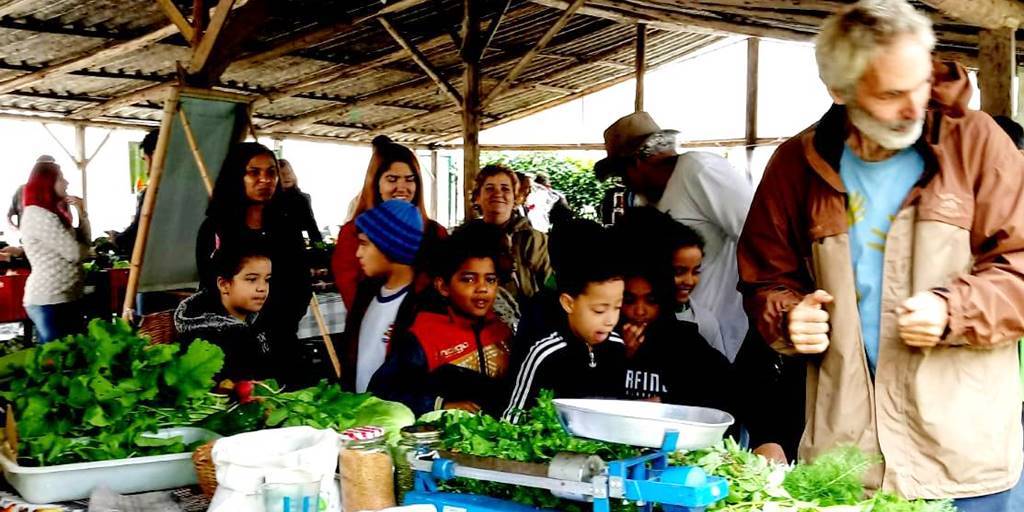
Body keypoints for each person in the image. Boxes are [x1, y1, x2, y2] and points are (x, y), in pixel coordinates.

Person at [738, 0, 1024, 506]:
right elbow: (765, 280)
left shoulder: (979, 144)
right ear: (840, 91)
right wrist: (788, 317)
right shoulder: (794, 166)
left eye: (920, 82)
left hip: (961, 459)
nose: (916, 106)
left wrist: (952, 309)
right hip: (844, 462)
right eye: (892, 94)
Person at [594, 112, 752, 362]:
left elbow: (756, 235)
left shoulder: (700, 170)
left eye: (623, 176)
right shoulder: (650, 198)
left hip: (718, 330)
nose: (627, 185)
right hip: (672, 331)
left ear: (636, 163)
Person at [369, 221, 512, 416]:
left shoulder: (502, 330)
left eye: (490, 279)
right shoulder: (425, 335)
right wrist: (440, 405)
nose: (482, 288)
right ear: (443, 286)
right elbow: (382, 391)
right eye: (468, 279)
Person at [196, 142, 311, 377]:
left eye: (271, 172)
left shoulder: (286, 228)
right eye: (254, 172)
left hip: (281, 342)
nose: (265, 179)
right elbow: (212, 288)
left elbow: (301, 284)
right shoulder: (217, 229)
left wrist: (279, 324)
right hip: (231, 345)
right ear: (237, 176)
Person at [501, 220, 624, 423]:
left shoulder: (616, 347)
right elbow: (513, 418)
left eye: (617, 307)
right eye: (599, 310)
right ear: (568, 303)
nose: (610, 320)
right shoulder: (545, 352)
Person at [332, 136, 446, 309]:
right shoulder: (353, 233)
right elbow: (352, 297)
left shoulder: (435, 232)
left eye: (410, 179)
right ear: (375, 183)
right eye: (392, 179)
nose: (402, 187)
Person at [341, 199, 424, 392]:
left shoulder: (420, 307)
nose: (358, 253)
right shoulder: (365, 295)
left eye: (364, 244)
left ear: (390, 245)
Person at [175, 241, 275, 382]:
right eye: (252, 279)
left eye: (267, 280)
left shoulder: (260, 323)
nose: (262, 288)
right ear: (224, 285)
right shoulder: (204, 342)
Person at [19, 160, 90, 342]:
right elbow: (76, 253)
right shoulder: (38, 215)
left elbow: (85, 245)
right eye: (60, 178)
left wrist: (82, 213)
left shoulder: (52, 214)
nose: (66, 183)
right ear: (47, 183)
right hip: (49, 301)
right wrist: (83, 250)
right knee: (58, 364)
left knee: (73, 361)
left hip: (65, 298)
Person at [472, 164, 553, 302]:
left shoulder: (534, 240)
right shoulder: (466, 238)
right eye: (489, 188)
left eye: (505, 189)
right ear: (477, 197)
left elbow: (551, 286)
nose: (497, 193)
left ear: (515, 197)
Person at [665, 222, 727, 359]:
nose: (689, 281)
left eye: (695, 271)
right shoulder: (641, 317)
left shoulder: (706, 322)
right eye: (679, 271)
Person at [111, 129, 158, 256]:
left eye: (145, 160)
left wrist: (115, 238)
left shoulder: (153, 193)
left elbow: (135, 236)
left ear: (154, 156)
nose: (146, 168)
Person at [277, 159, 322, 245]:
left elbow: (312, 228)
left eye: (289, 173)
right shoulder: (268, 199)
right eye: (282, 174)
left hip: (296, 247)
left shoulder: (302, 198)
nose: (287, 176)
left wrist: (321, 249)